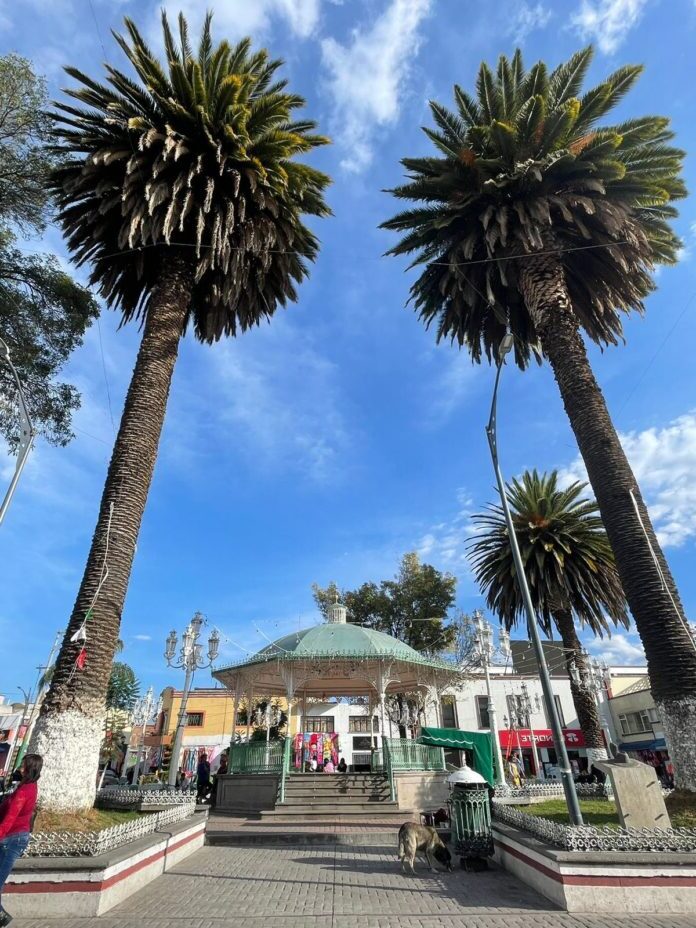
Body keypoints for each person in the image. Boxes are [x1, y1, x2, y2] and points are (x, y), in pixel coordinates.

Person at [0, 753, 42, 927]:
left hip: (11, 839)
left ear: (29, 768)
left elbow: (11, 817)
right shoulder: (29, 786)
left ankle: (2, 918)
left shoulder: (24, 791)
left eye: (23, 765)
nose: (19, 768)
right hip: (15, 837)